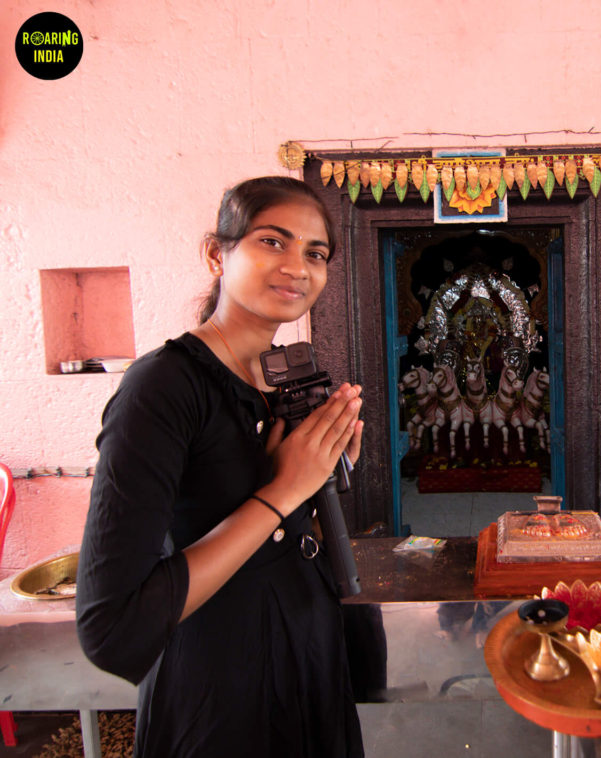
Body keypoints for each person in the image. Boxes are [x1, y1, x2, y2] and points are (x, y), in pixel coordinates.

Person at [76, 176, 366, 757]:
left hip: (307, 662)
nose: (297, 267)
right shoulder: (162, 387)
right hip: (220, 690)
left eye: (316, 253)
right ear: (217, 253)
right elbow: (112, 626)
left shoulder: (279, 377)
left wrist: (324, 470)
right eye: (272, 242)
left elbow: (275, 528)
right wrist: (284, 491)